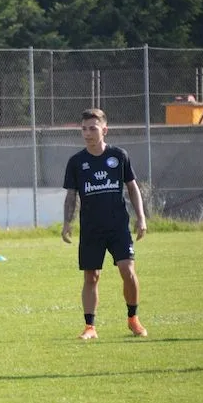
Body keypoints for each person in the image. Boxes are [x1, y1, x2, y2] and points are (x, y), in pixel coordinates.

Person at [62, 108, 148, 340]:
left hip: (118, 225)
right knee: (91, 277)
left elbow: (132, 187)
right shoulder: (77, 162)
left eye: (93, 128)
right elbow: (71, 195)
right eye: (84, 129)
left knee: (127, 271)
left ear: (104, 129)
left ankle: (133, 319)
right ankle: (90, 327)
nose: (87, 133)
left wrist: (141, 217)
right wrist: (67, 223)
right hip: (90, 228)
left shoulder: (119, 156)